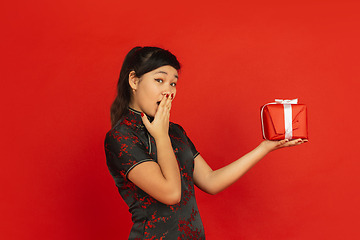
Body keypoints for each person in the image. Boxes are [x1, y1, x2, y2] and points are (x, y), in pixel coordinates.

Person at [104, 46, 307, 240]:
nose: (169, 91)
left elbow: (210, 181)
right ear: (133, 80)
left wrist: (265, 147)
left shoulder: (175, 131)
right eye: (159, 80)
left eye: (173, 83)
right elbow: (172, 194)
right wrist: (161, 136)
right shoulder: (121, 137)